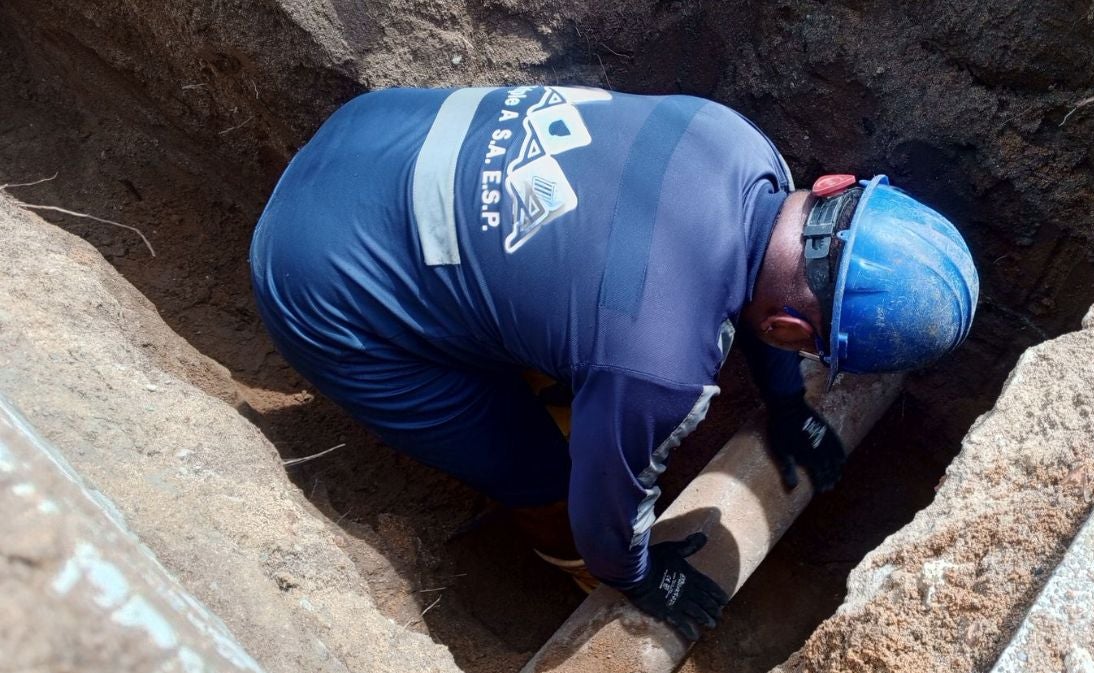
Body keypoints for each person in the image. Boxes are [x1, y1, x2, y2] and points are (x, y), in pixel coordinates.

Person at [250, 85, 977, 641]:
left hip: (380, 129)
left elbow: (767, 277)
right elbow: (606, 510)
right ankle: (558, 565)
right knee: (542, 474)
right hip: (323, 289)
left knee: (563, 317)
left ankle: (532, 378)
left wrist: (786, 403)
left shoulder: (738, 142)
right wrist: (637, 575)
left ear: (835, 187)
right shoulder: (657, 367)